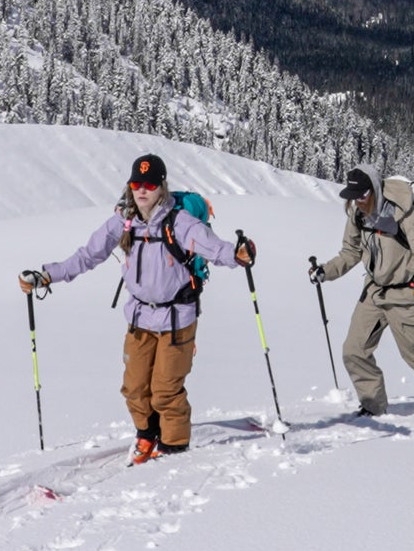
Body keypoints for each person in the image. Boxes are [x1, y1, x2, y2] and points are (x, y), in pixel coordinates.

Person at [20, 154, 248, 463]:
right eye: (137, 183)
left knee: (165, 390)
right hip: (139, 317)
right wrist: (47, 275)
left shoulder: (178, 222)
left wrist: (238, 255)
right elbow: (88, 255)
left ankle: (174, 449)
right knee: (134, 388)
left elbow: (212, 246)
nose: (142, 190)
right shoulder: (124, 221)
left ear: (161, 187)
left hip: (177, 318)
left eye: (150, 184)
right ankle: (147, 435)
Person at [310, 164, 414, 416]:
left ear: (373, 190)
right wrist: (325, 271)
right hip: (375, 292)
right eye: (353, 197)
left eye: (362, 195)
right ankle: (373, 407)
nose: (357, 202)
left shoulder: (401, 211)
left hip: (410, 294)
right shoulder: (357, 215)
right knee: (354, 350)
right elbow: (350, 252)